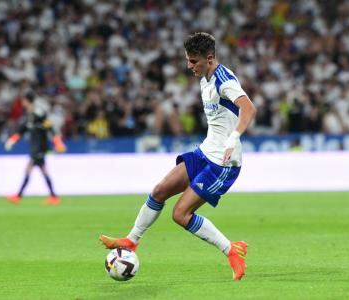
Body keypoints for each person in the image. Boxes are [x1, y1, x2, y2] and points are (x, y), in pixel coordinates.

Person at [100, 32, 256, 280]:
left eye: (194, 61)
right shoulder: (205, 78)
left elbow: (248, 107)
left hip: (223, 163)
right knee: (160, 190)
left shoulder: (223, 80)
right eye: (187, 60)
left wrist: (234, 137)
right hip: (205, 152)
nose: (189, 66)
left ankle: (231, 250)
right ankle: (131, 241)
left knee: (180, 215)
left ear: (210, 58)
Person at [5, 92, 66, 205]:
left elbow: (49, 127)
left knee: (30, 170)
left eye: (23, 100)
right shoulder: (29, 116)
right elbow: (21, 130)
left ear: (28, 101)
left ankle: (19, 196)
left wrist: (57, 142)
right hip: (35, 147)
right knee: (41, 171)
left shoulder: (38, 113)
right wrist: (12, 140)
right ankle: (53, 196)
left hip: (39, 147)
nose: (22, 103)